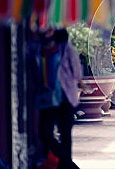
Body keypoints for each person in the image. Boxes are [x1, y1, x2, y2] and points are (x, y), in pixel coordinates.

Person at [36, 28, 85, 169]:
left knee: (62, 135)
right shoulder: (40, 48)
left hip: (64, 97)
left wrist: (79, 81)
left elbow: (76, 70)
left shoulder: (63, 48)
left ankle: (65, 166)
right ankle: (68, 165)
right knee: (47, 133)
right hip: (50, 97)